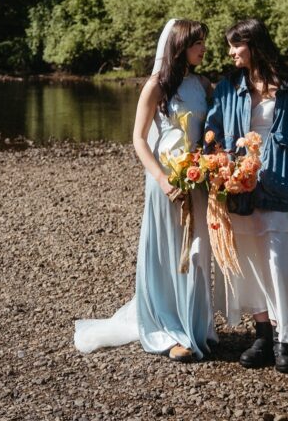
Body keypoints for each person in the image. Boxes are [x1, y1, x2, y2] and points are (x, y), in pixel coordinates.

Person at [74, 18, 216, 362]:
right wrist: (162, 179)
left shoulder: (203, 85)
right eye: (198, 43)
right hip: (165, 180)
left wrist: (214, 166)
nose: (203, 49)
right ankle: (167, 330)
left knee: (196, 254)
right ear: (180, 46)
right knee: (166, 252)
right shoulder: (155, 86)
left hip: (197, 179)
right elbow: (138, 139)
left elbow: (211, 131)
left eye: (204, 43)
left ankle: (194, 325)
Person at [204, 18, 288, 372]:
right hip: (239, 191)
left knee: (280, 266)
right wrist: (222, 169)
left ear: (253, 45)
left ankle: (287, 338)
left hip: (277, 192)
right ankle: (262, 335)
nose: (230, 53)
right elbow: (213, 132)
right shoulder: (228, 88)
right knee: (251, 267)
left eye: (235, 46)